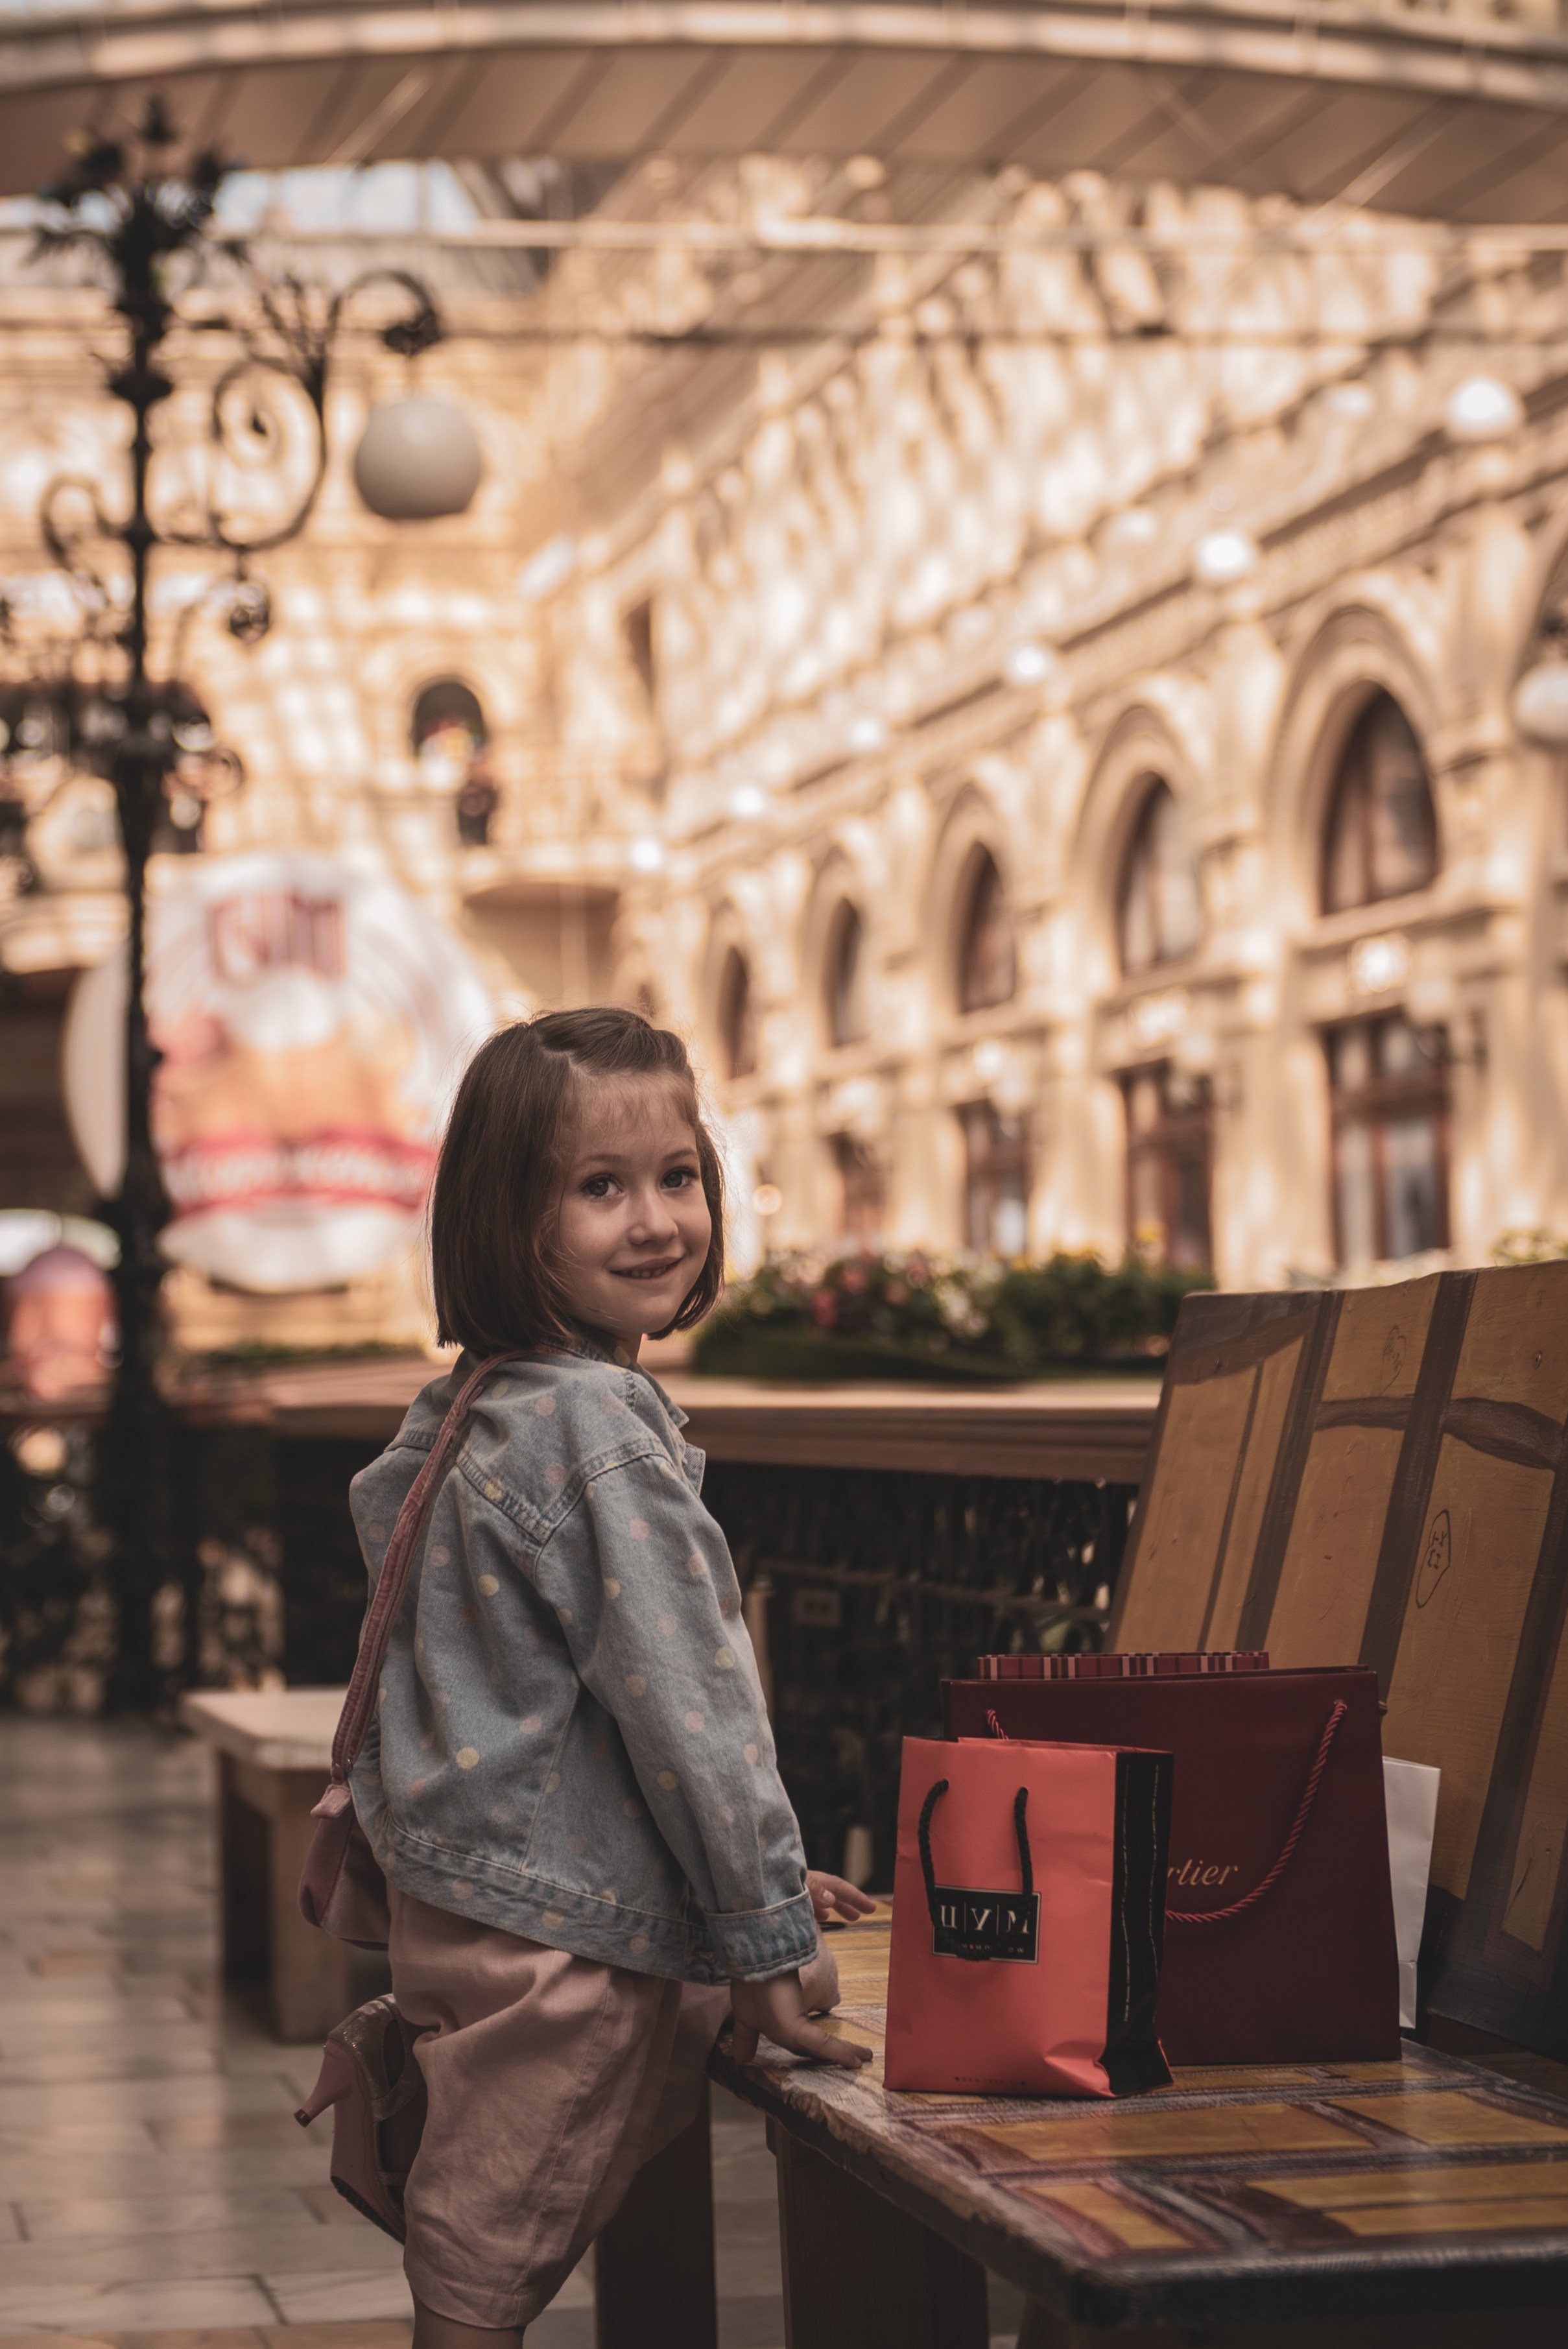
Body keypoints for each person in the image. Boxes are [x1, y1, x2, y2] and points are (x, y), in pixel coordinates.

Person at [346, 1007, 875, 2346]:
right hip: (560, 1944)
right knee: (481, 2277)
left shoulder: (477, 1396)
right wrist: (760, 1938)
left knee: (480, 2236)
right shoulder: (596, 1430)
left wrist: (736, 1882)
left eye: (679, 1176)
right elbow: (695, 1715)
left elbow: (537, 1695)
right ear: (505, 1217)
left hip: (473, 1898)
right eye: (601, 1186)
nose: (656, 1220)